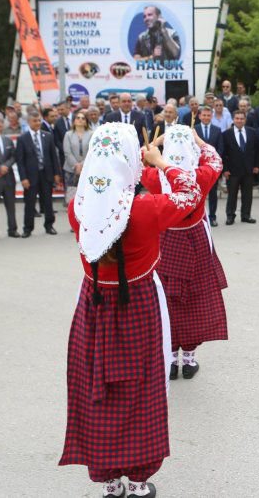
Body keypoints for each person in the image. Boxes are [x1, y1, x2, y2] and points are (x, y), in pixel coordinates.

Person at [61, 123, 202, 498]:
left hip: (93, 304)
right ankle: (139, 479)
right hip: (139, 300)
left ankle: (109, 481)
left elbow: (105, 195)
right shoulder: (145, 209)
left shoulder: (78, 207)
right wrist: (160, 162)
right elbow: (191, 193)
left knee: (97, 389)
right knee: (143, 389)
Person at [141, 126, 227, 380]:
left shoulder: (157, 178)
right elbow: (215, 159)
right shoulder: (201, 175)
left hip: (166, 242)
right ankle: (188, 359)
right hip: (196, 241)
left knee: (165, 301)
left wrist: (157, 144)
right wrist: (198, 140)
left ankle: (169, 358)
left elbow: (135, 161)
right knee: (195, 300)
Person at [16, 111, 62, 237]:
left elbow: (54, 156)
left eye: (39, 121)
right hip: (30, 177)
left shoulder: (47, 136)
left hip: (46, 175)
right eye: (34, 121)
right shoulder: (22, 138)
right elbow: (20, 161)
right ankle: (28, 228)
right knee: (30, 203)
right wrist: (23, 178)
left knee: (48, 202)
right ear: (29, 122)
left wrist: (56, 173)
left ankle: (49, 225)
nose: (37, 123)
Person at [222, 110, 259, 225]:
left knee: (247, 195)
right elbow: (223, 154)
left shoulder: (252, 132)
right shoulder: (226, 134)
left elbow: (257, 151)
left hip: (248, 169)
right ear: (233, 119)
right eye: (237, 118)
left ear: (245, 120)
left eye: (242, 118)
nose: (239, 120)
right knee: (232, 195)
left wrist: (256, 165)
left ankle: (246, 215)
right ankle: (230, 216)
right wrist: (225, 169)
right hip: (232, 171)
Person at [194, 107, 223, 226]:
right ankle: (197, 218)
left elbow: (221, 148)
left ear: (211, 116)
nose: (206, 117)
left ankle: (212, 217)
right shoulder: (193, 130)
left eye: (208, 115)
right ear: (199, 116)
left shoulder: (217, 130)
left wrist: (214, 163)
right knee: (197, 194)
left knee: (212, 193)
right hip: (196, 168)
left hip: (211, 169)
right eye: (204, 115)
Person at [62, 111, 93, 207]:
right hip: (70, 168)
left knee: (86, 190)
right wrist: (76, 165)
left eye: (83, 118)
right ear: (74, 121)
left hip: (87, 167)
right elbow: (67, 151)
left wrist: (82, 164)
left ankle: (85, 208)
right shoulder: (68, 134)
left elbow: (91, 151)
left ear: (86, 122)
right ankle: (71, 208)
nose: (80, 120)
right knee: (71, 190)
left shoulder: (92, 134)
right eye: (78, 118)